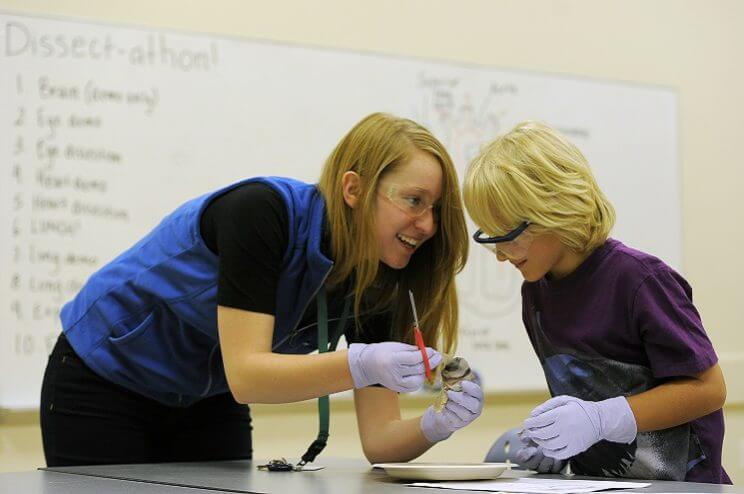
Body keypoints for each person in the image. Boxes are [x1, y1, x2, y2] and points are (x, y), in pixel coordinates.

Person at [40, 112, 484, 467]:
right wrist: (360, 362)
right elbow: (248, 375)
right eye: (414, 201)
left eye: (436, 209)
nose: (427, 225)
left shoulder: (379, 277)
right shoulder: (262, 213)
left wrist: (435, 424)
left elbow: (381, 440)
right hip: (105, 379)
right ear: (353, 188)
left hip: (205, 397)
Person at [462, 121, 729, 483]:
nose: (500, 256)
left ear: (551, 209)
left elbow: (709, 389)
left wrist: (604, 419)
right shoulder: (535, 293)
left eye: (507, 236)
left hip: (681, 486)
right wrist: (560, 442)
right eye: (489, 239)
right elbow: (583, 393)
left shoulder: (639, 281)